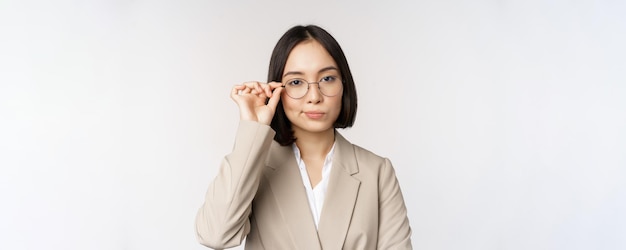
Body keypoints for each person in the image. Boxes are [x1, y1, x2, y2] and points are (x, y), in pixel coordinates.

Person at [195, 24, 412, 249]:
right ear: (276, 89)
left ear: (344, 85)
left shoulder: (377, 172)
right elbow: (214, 235)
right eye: (296, 82)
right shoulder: (255, 166)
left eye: (327, 78)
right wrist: (252, 127)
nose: (314, 96)